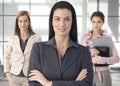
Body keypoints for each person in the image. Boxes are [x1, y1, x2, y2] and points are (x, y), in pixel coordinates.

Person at [28, 1, 93, 86]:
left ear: (72, 22)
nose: (62, 24)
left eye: (67, 19)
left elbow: (86, 84)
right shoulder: (38, 49)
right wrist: (74, 83)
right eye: (57, 19)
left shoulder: (83, 52)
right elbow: (33, 84)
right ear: (52, 21)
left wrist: (49, 83)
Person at [80, 11, 120, 86]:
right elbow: (78, 57)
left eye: (99, 22)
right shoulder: (84, 38)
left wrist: (100, 59)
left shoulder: (107, 39)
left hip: (103, 74)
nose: (96, 25)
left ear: (103, 23)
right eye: (93, 22)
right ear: (91, 22)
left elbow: (117, 58)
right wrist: (89, 54)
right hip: (86, 74)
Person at [4, 10, 41, 86]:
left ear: (29, 22)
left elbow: (40, 56)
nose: (23, 24)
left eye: (25, 21)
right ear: (17, 23)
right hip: (14, 76)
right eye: (20, 21)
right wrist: (7, 71)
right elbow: (6, 56)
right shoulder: (12, 37)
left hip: (29, 76)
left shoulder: (36, 37)